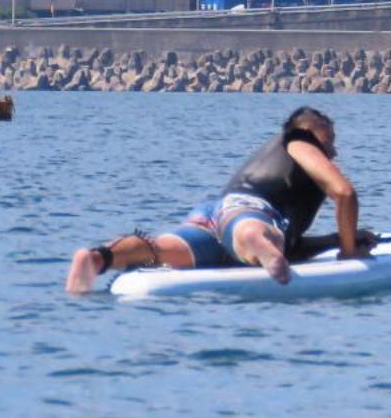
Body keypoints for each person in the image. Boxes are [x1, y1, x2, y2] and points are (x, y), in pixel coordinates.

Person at [65, 106, 368, 293]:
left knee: (160, 249)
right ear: (308, 133)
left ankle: (98, 258)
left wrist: (338, 240)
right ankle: (257, 241)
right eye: (330, 142)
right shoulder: (300, 141)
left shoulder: (278, 163)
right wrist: (350, 253)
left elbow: (294, 247)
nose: (334, 152)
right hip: (249, 214)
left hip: (215, 216)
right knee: (251, 230)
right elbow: (344, 193)